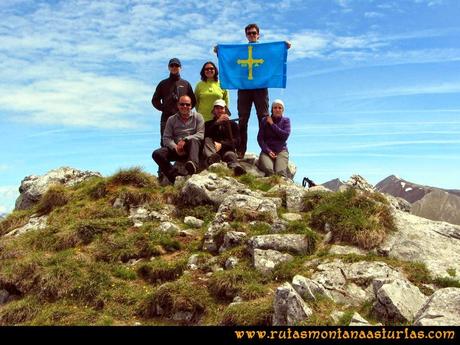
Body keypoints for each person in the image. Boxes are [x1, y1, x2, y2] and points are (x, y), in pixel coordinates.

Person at [235, 24, 291, 159]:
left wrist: (284, 47)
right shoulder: (242, 50)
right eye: (249, 33)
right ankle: (241, 150)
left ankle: (267, 149)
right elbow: (230, 60)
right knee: (242, 120)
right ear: (246, 35)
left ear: (258, 35)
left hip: (260, 88)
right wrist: (220, 51)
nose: (251, 35)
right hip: (244, 88)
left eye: (254, 33)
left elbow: (275, 56)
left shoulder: (264, 50)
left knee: (264, 119)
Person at [152, 95, 204, 184]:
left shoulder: (198, 117)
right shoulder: (171, 119)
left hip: (192, 148)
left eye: (187, 104)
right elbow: (166, 138)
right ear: (178, 105)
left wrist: (185, 140)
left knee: (193, 141)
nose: (185, 107)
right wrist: (175, 147)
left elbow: (200, 134)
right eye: (182, 104)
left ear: (191, 106)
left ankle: (192, 166)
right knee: (157, 154)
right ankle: (174, 177)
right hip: (177, 149)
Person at [151, 58, 196, 146]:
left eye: (177, 65)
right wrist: (164, 108)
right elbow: (154, 100)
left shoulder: (186, 84)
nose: (174, 67)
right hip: (166, 118)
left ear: (180, 68)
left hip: (183, 120)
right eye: (172, 65)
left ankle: (183, 160)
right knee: (165, 143)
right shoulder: (163, 84)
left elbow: (193, 101)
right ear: (168, 67)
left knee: (184, 142)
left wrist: (186, 111)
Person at [203, 99, 246, 176]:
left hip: (226, 151)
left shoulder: (233, 124)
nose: (219, 110)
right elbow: (205, 136)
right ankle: (213, 160)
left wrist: (222, 144)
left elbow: (237, 141)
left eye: (221, 108)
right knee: (207, 140)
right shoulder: (207, 124)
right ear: (214, 110)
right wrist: (216, 123)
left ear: (225, 110)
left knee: (231, 155)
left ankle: (236, 168)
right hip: (212, 151)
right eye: (217, 108)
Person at [257, 99, 291, 177]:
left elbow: (285, 135)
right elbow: (260, 138)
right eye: (275, 107)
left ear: (283, 110)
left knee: (280, 173)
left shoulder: (286, 121)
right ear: (272, 109)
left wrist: (272, 124)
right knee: (269, 171)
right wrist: (268, 151)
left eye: (280, 108)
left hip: (281, 151)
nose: (277, 110)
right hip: (267, 152)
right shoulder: (264, 120)